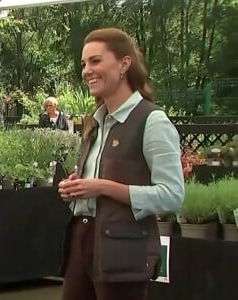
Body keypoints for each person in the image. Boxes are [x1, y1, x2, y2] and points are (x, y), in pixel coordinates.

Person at [58, 28, 185, 300]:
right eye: (84, 64)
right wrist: (75, 188)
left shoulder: (152, 122)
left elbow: (172, 195)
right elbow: (94, 183)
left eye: (96, 61)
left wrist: (103, 187)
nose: (86, 70)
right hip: (82, 246)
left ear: (125, 64)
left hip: (123, 255)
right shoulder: (95, 122)